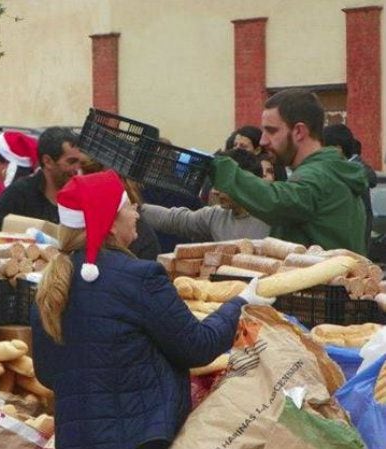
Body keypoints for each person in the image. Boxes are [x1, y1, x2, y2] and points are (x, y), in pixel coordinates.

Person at [30, 170, 273, 449]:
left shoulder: (51, 284)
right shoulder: (140, 276)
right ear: (108, 223)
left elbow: (48, 373)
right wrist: (242, 303)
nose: (136, 213)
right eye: (129, 207)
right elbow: (197, 346)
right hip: (141, 438)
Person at [212, 88, 368, 254]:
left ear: (299, 131)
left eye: (271, 131)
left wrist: (219, 168)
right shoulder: (329, 170)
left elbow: (275, 202)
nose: (263, 141)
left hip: (322, 280)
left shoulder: (318, 176)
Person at [143, 148, 271, 242]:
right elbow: (175, 220)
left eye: (223, 185)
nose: (215, 191)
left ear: (244, 182)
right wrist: (135, 207)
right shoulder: (215, 216)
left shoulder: (273, 219)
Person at [0, 127, 82, 230]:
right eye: (71, 162)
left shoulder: (83, 196)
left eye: (81, 163)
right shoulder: (18, 196)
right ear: (48, 161)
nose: (78, 169)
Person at [323, 124, 376, 252]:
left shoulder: (354, 171)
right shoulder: (347, 169)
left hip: (354, 241)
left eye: (324, 148)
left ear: (337, 148)